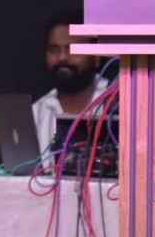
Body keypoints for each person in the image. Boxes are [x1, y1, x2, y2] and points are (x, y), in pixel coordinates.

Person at [33, 10, 109, 152]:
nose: (62, 57)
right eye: (54, 49)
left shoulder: (120, 104)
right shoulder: (35, 114)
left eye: (73, 49)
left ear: (96, 56)